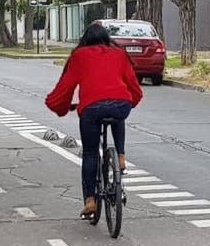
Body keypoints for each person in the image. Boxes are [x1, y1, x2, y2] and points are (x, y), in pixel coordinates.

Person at [45, 24, 143, 219]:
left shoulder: (79, 55)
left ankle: (90, 200)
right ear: (107, 38)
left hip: (91, 109)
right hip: (120, 104)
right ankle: (121, 156)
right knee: (117, 113)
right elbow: (133, 86)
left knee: (90, 154)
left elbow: (65, 87)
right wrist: (130, 101)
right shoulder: (119, 54)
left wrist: (61, 106)